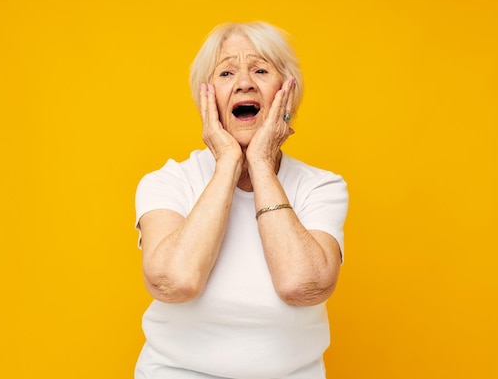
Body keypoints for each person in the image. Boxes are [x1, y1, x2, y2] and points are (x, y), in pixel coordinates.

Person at [134, 21, 349, 379]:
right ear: (206, 97)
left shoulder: (322, 186)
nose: (245, 82)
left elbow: (303, 286)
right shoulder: (167, 181)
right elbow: (175, 282)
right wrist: (229, 162)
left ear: (287, 94)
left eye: (261, 69)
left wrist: (261, 163)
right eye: (227, 72)